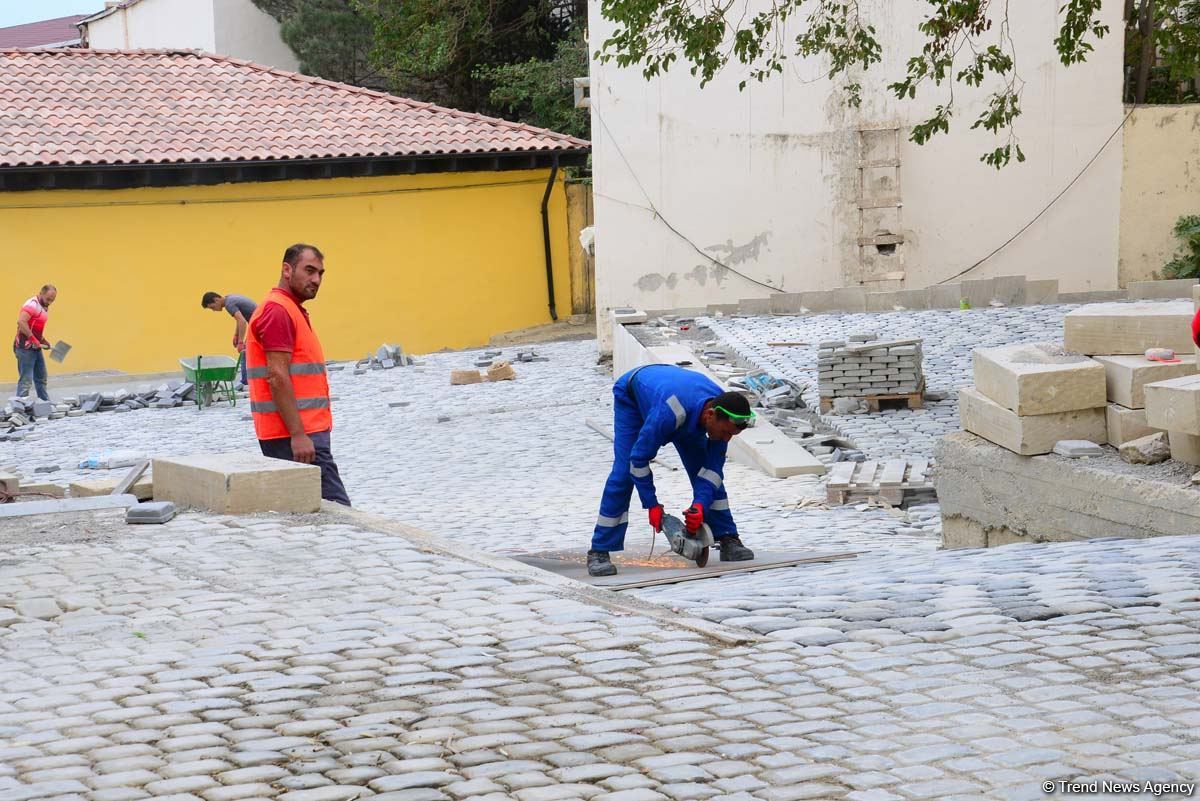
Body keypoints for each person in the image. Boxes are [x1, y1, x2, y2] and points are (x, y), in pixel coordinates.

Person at [588, 363, 756, 577]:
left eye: (731, 435)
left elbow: (712, 471)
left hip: (686, 405)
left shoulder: (724, 408)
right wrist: (652, 505)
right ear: (710, 415)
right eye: (724, 433)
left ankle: (727, 537)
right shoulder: (669, 413)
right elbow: (638, 460)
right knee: (623, 473)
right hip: (633, 395)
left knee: (705, 472)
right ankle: (599, 550)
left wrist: (700, 506)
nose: (726, 439)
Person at [245, 244, 350, 506]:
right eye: (310, 270)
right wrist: (298, 435)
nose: (316, 280)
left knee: (311, 514)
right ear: (286, 270)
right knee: (339, 513)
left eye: (320, 274)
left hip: (301, 433)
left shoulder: (289, 308)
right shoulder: (278, 310)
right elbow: (277, 375)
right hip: (294, 437)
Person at [202, 291, 258, 387]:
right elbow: (240, 319)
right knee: (248, 351)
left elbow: (242, 321)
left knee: (244, 351)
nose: (214, 310)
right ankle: (248, 380)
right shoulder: (230, 298)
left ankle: (245, 382)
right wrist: (236, 335)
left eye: (212, 307)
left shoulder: (229, 304)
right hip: (259, 323)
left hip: (259, 325)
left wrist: (240, 342)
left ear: (216, 300)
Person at [13, 285, 56, 401]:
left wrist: (42, 340)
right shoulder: (32, 305)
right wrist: (33, 339)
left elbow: (34, 327)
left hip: (35, 347)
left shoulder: (44, 306)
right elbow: (21, 322)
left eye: (52, 300)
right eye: (48, 299)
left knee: (41, 377)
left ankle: (44, 404)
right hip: (24, 348)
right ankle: (20, 408)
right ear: (41, 293)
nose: (50, 302)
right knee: (26, 380)